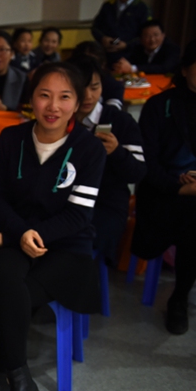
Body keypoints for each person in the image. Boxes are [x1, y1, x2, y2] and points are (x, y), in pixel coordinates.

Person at [0, 62, 105, 391]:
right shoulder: (12, 138)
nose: (53, 106)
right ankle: (20, 381)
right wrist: (20, 235)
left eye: (64, 97)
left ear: (77, 103)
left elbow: (78, 216)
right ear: (31, 98)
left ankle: (0, 380)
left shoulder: (89, 149)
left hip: (67, 247)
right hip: (19, 237)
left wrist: (19, 236)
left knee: (9, 294)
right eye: (44, 95)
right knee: (4, 274)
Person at [131, 37, 196, 335]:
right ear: (185, 69)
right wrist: (178, 186)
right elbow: (146, 164)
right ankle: (179, 298)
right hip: (162, 192)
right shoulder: (160, 106)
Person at [68, 56, 147, 266]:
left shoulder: (119, 121)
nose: (88, 96)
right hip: (63, 200)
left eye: (95, 87)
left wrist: (117, 152)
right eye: (81, 88)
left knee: (73, 241)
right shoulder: (59, 119)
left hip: (105, 204)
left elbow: (138, 172)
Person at [91, 0, 151, 64]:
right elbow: (95, 27)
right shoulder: (108, 5)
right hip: (106, 55)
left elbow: (145, 36)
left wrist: (126, 45)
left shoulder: (143, 9)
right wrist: (103, 38)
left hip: (130, 57)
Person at [113, 20, 181, 75]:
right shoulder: (137, 47)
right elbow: (127, 61)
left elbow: (164, 68)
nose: (152, 40)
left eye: (156, 35)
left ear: (163, 35)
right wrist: (120, 66)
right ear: (141, 38)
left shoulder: (172, 49)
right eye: (147, 36)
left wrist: (132, 68)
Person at [72, 41, 126, 110]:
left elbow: (112, 112)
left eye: (94, 88)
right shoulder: (66, 82)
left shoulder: (113, 86)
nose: (88, 96)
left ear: (103, 65)